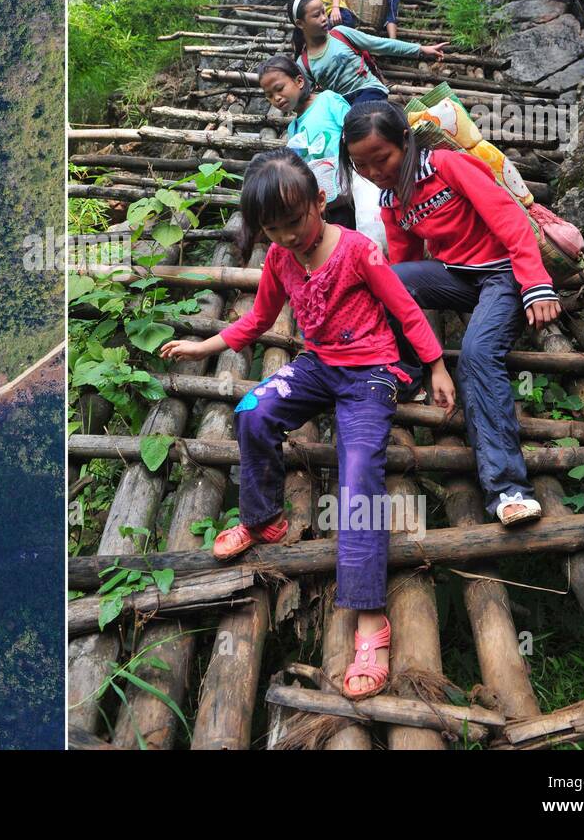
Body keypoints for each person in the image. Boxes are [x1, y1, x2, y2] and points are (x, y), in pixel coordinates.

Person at [159, 150, 456, 699]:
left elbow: (407, 309)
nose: (289, 236)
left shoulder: (358, 251)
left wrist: (435, 365)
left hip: (371, 372)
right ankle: (264, 517)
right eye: (274, 228)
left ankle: (370, 618)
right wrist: (205, 343)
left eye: (295, 222)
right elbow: (258, 319)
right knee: (253, 413)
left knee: (360, 469)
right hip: (318, 367)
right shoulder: (278, 257)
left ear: (320, 202)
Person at [340, 100, 564, 528]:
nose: (373, 171)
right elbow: (403, 267)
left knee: (478, 354)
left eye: (381, 158)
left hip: (503, 276)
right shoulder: (392, 199)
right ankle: (405, 375)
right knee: (387, 278)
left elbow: (509, 221)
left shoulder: (448, 166)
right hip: (458, 278)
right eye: (360, 165)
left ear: (405, 141)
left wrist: (536, 283)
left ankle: (508, 488)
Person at [287, 0, 448, 105]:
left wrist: (420, 49)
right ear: (300, 23)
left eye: (324, 12)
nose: (324, 18)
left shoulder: (340, 33)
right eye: (316, 15)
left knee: (361, 120)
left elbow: (380, 44)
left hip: (369, 90)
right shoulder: (304, 63)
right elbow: (308, 98)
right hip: (343, 105)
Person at [256, 55, 354, 227]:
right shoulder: (293, 128)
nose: (276, 98)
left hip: (350, 195)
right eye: (269, 95)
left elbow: (355, 130)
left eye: (279, 88)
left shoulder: (328, 100)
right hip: (322, 204)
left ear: (299, 81)